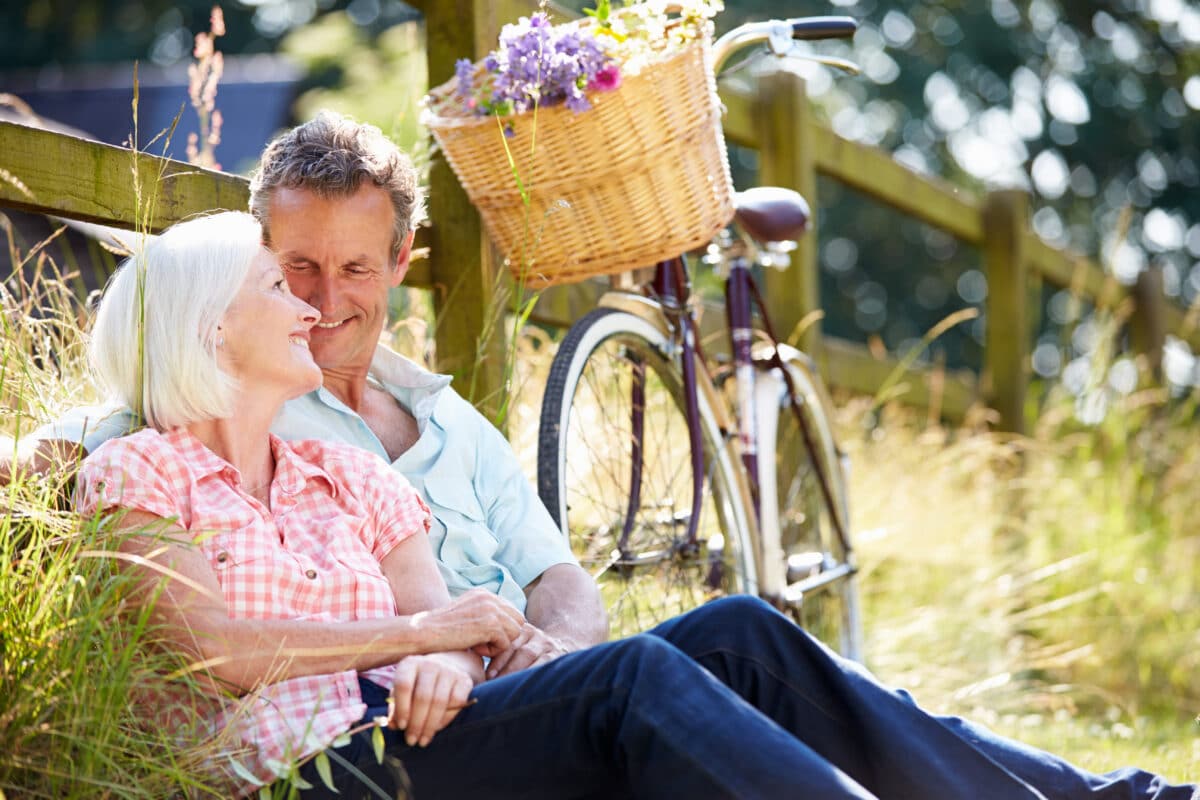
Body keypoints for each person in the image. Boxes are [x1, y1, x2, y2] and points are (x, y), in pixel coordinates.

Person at [17, 114, 1199, 799]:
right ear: (208, 326)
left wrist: (464, 651)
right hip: (316, 771)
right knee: (638, 681)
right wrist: (434, 640)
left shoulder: (357, 466)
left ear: (399, 265)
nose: (317, 308)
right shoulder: (145, 459)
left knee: (737, 628)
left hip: (439, 709)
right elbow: (220, 637)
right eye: (285, 278)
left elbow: (462, 605)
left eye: (347, 274)